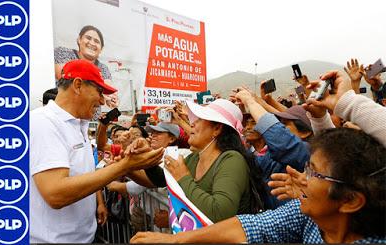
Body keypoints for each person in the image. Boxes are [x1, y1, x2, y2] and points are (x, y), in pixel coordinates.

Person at [131, 128, 386, 244]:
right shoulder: (307, 215)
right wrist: (178, 240)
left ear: (351, 200)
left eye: (314, 173)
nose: (300, 179)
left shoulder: (232, 160)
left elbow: (222, 211)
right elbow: (249, 226)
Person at [30, 59, 164, 243]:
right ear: (78, 85)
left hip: (85, 237)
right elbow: (55, 193)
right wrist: (124, 166)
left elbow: (85, 175)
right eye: (99, 92)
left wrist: (135, 163)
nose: (102, 100)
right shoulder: (43, 122)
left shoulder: (78, 125)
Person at [144, 99, 266, 222]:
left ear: (217, 129)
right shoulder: (194, 158)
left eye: (199, 119)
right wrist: (145, 157)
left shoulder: (232, 160)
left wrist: (183, 177)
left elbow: (219, 213)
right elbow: (162, 179)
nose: (191, 124)